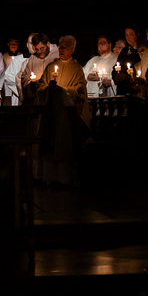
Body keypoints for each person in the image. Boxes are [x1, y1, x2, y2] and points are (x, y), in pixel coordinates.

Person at [29, 35, 88, 186]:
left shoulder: (77, 69)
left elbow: (80, 90)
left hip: (65, 114)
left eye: (65, 47)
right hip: (50, 111)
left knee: (63, 146)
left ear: (72, 50)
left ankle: (63, 179)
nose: (61, 50)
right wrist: (47, 89)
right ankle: (47, 177)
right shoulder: (51, 66)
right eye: (60, 47)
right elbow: (41, 85)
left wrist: (63, 91)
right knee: (48, 144)